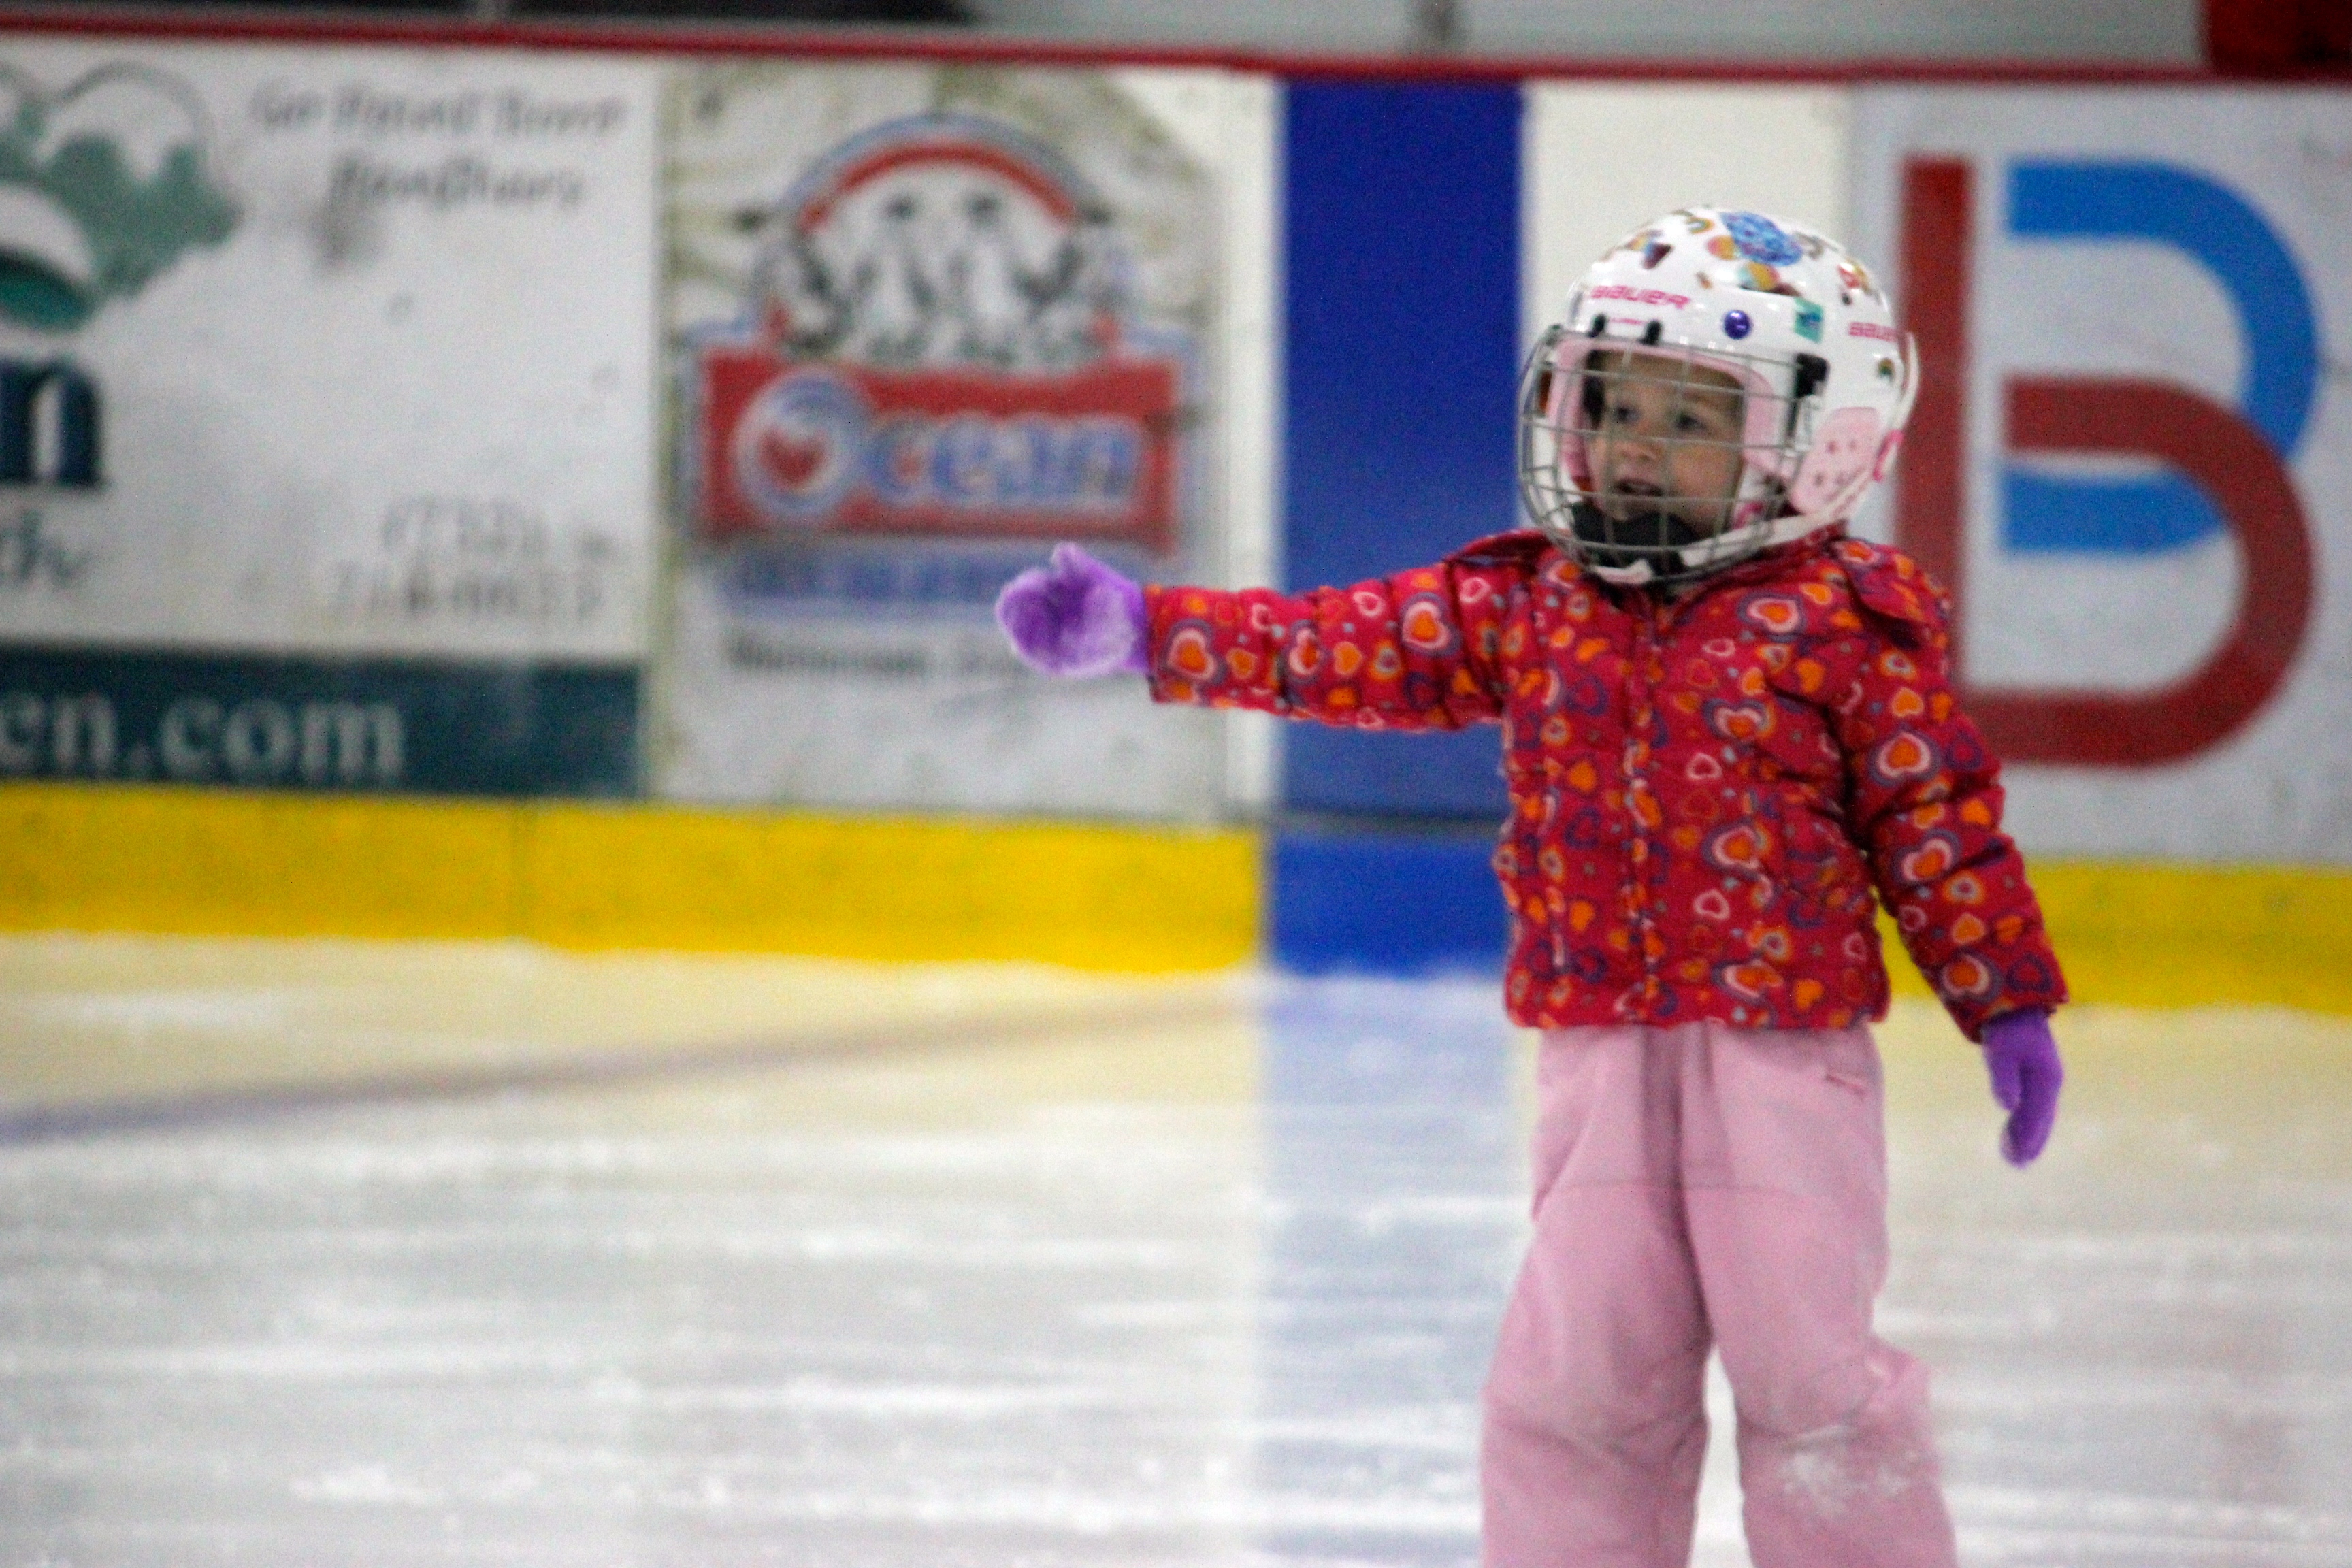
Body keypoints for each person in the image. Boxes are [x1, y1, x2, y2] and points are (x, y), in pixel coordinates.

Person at [994, 206, 2065, 1568]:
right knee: (1581, 1386)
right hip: (1600, 1046)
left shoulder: (1847, 627)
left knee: (1812, 1383)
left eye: (1688, 419)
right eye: (1611, 403)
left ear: (1825, 439)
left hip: (1784, 1058)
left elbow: (1934, 821)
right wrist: (1155, 631)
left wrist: (2005, 1000)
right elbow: (1347, 644)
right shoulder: (1533, 599)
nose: (1629, 444)